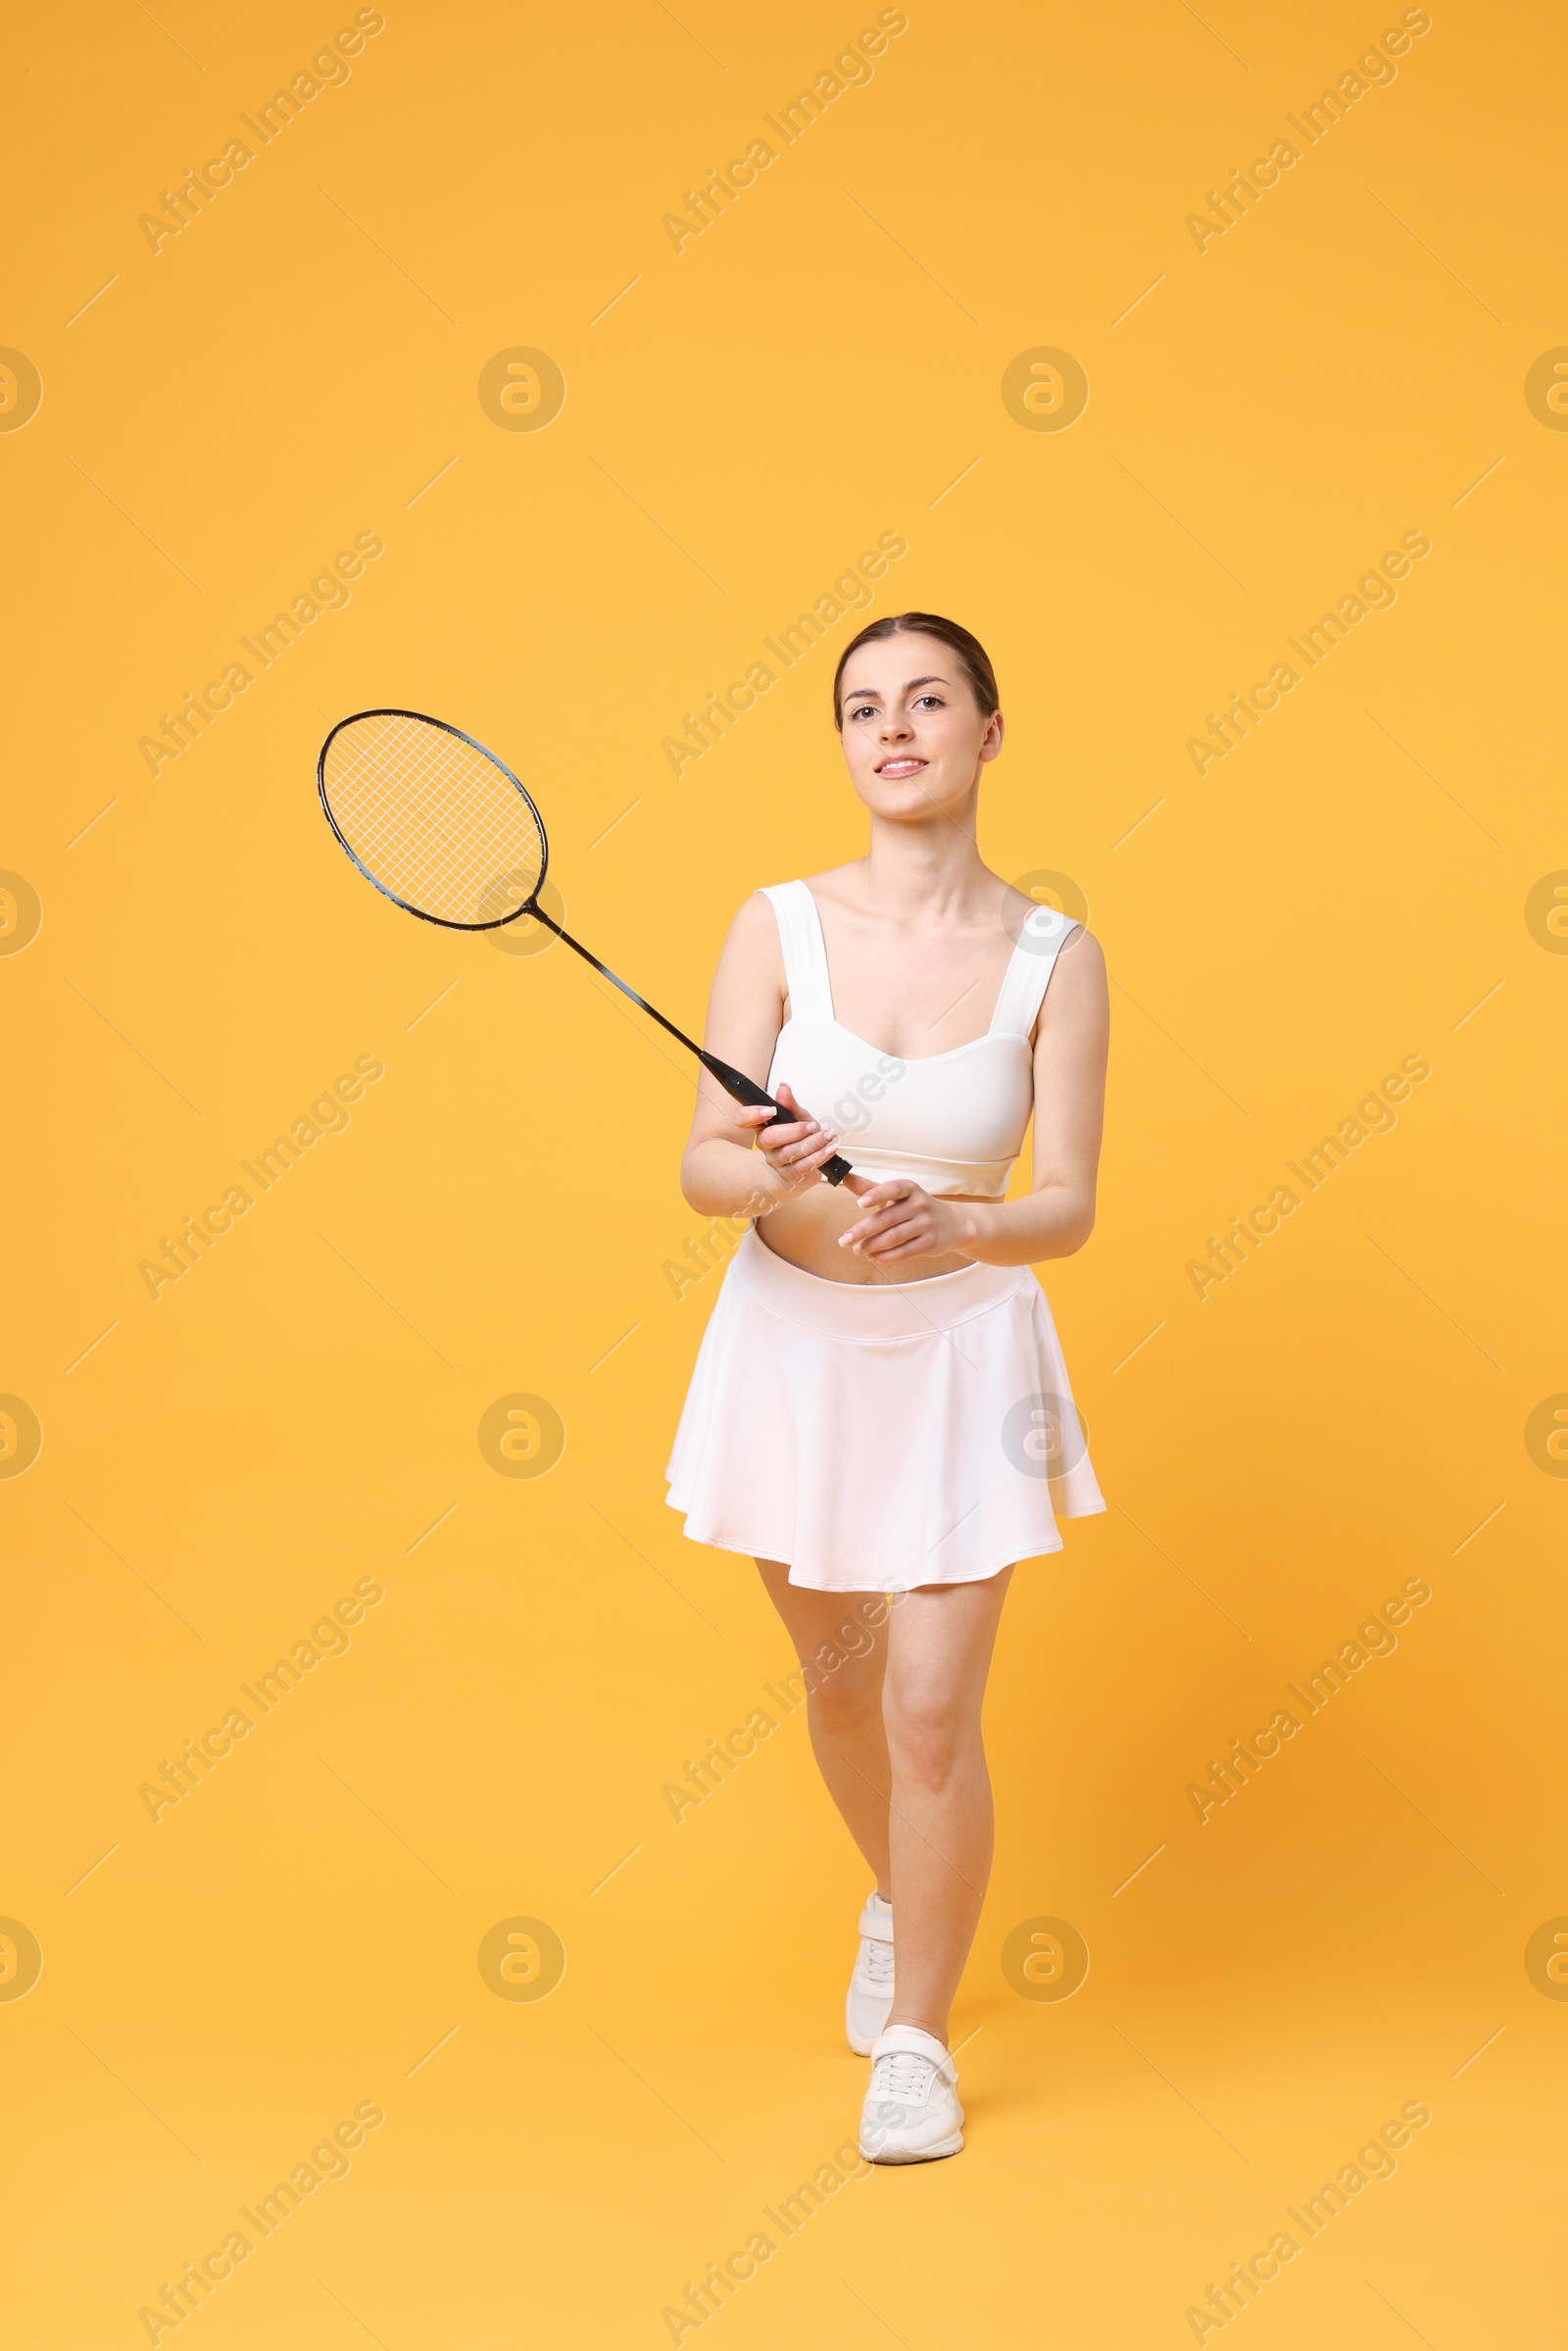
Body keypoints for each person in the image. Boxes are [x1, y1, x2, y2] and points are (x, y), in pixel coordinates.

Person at [667, 612, 1109, 2162]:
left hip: (965, 1358)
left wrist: (963, 1217)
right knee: (844, 1689)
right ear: (844, 742)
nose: (895, 727)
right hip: (796, 1351)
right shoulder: (774, 926)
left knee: (932, 1710)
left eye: (930, 701)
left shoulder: (1057, 956)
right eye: (864, 707)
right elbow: (697, 1167)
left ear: (991, 731)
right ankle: (899, 1899)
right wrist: (760, 1159)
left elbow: (1069, 1206)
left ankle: (916, 2038)